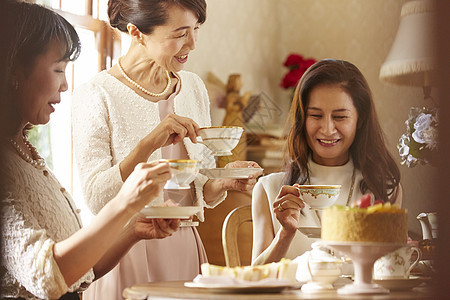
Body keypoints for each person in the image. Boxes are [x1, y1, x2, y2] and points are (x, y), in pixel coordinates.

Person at [71, 0, 262, 298]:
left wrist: (222, 182)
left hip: (184, 245)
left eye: (196, 29)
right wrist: (148, 144)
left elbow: (199, 191)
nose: (193, 43)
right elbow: (97, 198)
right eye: (180, 33)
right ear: (136, 33)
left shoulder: (193, 88)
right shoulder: (96, 94)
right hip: (122, 251)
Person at [0, 2, 180, 299]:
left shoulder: (26, 155)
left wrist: (134, 229)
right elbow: (48, 277)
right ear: (15, 70)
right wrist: (124, 201)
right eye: (58, 69)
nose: (66, 85)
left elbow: (79, 271)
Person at [251, 59, 403, 265]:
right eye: (315, 115)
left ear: (360, 120)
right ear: (302, 119)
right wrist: (285, 234)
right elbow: (255, 280)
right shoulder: (269, 189)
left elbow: (391, 271)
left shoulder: (385, 188)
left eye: (340, 117)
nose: (327, 129)